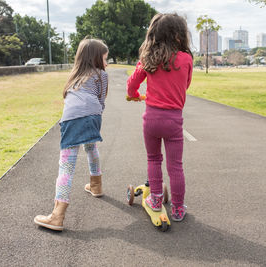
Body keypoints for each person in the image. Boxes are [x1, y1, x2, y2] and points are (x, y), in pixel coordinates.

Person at [34, 38, 109, 231]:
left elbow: (69, 101)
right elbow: (101, 101)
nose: (106, 62)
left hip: (72, 118)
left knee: (67, 165)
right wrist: (95, 117)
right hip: (93, 116)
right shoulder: (101, 75)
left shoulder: (74, 76)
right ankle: (96, 185)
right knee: (91, 148)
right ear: (95, 58)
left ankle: (57, 215)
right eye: (104, 58)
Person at [126, 13, 193, 222]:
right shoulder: (186, 59)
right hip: (174, 120)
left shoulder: (148, 59)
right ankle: (178, 208)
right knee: (176, 166)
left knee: (153, 159)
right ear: (179, 35)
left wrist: (135, 96)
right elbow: (185, 85)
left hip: (152, 119)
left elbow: (131, 85)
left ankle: (155, 199)